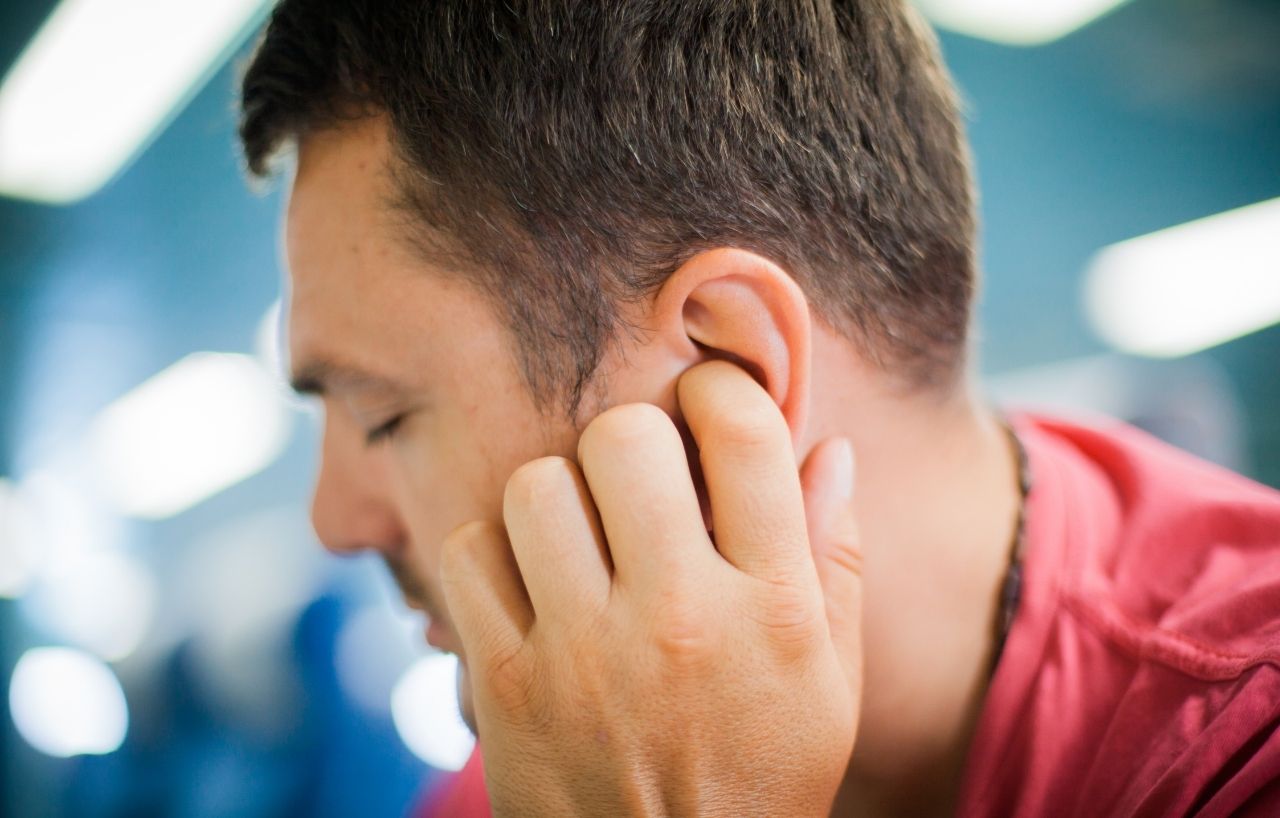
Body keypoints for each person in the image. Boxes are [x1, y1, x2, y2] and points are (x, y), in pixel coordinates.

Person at [236, 1, 1280, 815]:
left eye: (383, 416)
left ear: (724, 373)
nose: (335, 520)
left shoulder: (1241, 744)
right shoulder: (545, 771)